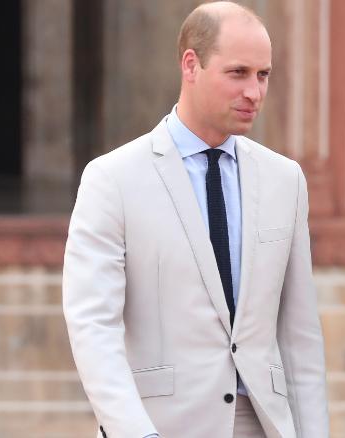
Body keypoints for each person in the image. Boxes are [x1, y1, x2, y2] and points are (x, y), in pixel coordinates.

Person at [62, 2, 328, 437]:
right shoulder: (112, 179)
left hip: (262, 423)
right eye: (238, 73)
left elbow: (300, 335)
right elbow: (93, 325)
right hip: (159, 425)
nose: (255, 92)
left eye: (263, 75)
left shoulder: (286, 180)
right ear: (191, 64)